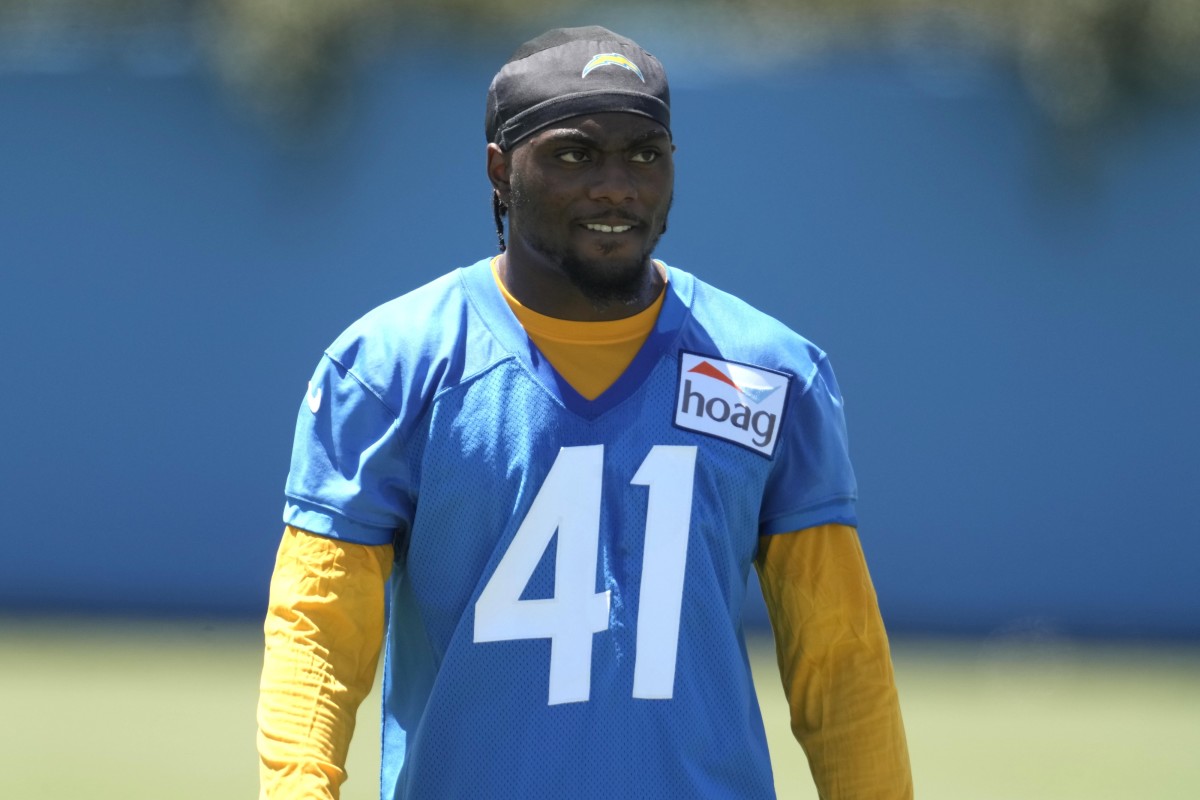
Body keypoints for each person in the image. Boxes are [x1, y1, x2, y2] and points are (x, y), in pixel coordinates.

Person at [257, 25, 912, 800]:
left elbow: (840, 661)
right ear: (501, 171)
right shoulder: (391, 367)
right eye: (575, 153)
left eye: (645, 153)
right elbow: (318, 636)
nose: (617, 185)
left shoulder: (766, 372)